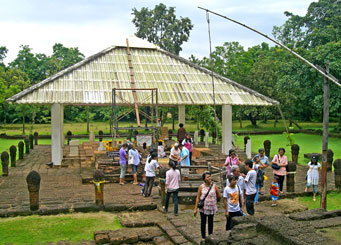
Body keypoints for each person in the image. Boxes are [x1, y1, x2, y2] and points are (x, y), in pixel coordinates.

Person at [194, 171, 221, 240]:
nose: (210, 178)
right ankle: (203, 236)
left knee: (210, 222)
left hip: (211, 207)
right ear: (204, 179)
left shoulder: (214, 186)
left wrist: (214, 201)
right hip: (203, 207)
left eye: (210, 176)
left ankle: (210, 236)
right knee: (203, 222)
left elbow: (219, 196)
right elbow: (198, 198)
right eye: (208, 177)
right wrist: (195, 209)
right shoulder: (201, 187)